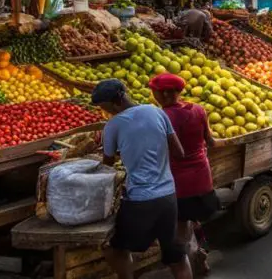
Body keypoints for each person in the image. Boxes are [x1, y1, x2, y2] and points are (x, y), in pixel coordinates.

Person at [92, 80, 192, 279]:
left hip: (140, 200)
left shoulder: (112, 126)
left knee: (116, 249)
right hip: (168, 197)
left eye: (104, 107)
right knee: (176, 256)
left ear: (115, 102)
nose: (104, 112)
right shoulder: (156, 111)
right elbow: (179, 152)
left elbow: (108, 164)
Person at [148, 74, 219, 274]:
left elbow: (156, 149)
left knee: (178, 234)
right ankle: (200, 257)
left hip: (180, 185)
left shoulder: (161, 117)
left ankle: (185, 266)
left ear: (164, 94)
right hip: (203, 180)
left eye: (154, 91)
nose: (152, 95)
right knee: (191, 219)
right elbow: (210, 141)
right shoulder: (198, 109)